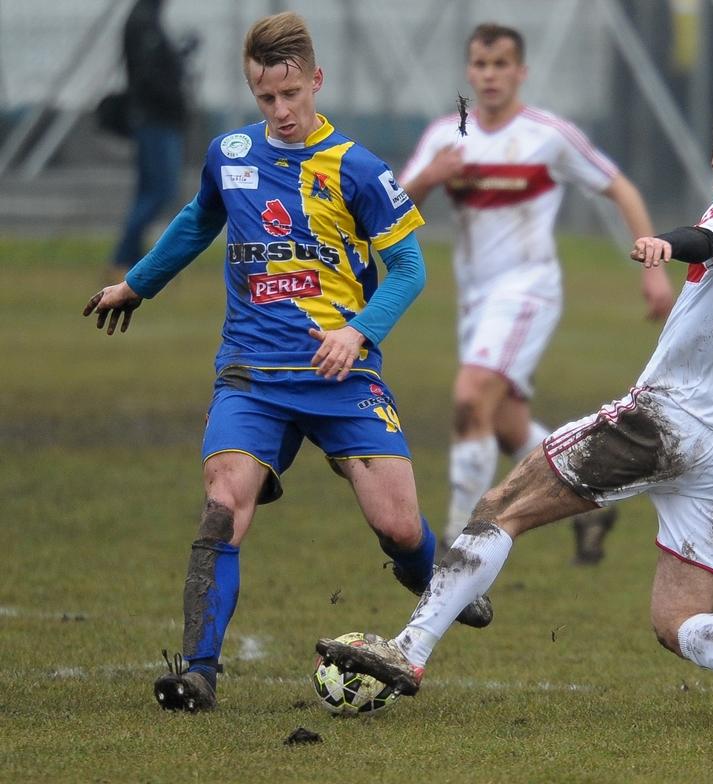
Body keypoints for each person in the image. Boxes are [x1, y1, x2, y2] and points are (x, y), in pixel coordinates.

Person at [318, 35, 713, 729]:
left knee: (503, 506)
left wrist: (663, 245)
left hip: (664, 422)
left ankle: (408, 649)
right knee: (677, 617)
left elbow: (711, 239)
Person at [83, 11, 491, 714]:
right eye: (266, 98)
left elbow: (408, 270)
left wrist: (357, 333)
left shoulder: (358, 168)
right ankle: (199, 674)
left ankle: (439, 580)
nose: (281, 111)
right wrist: (137, 283)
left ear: (316, 82)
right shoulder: (230, 154)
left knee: (397, 524)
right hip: (252, 373)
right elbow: (195, 221)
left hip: (341, 373)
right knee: (222, 507)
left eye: (292, 95)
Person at [398, 23, 675, 564]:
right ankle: (593, 498)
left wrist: (652, 268)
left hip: (529, 291)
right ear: (468, 72)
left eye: (502, 64)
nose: (491, 75)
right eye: (481, 65)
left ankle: (458, 543)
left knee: (469, 397)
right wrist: (430, 176)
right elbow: (393, 209)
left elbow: (619, 185)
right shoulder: (443, 137)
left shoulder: (548, 134)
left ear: (520, 72)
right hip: (476, 299)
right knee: (504, 427)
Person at [109, 0, 195, 275]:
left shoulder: (147, 19)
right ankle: (124, 258)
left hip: (157, 118)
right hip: (156, 120)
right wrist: (175, 90)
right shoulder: (144, 22)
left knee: (149, 193)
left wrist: (178, 58)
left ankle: (128, 260)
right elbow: (149, 74)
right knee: (161, 192)